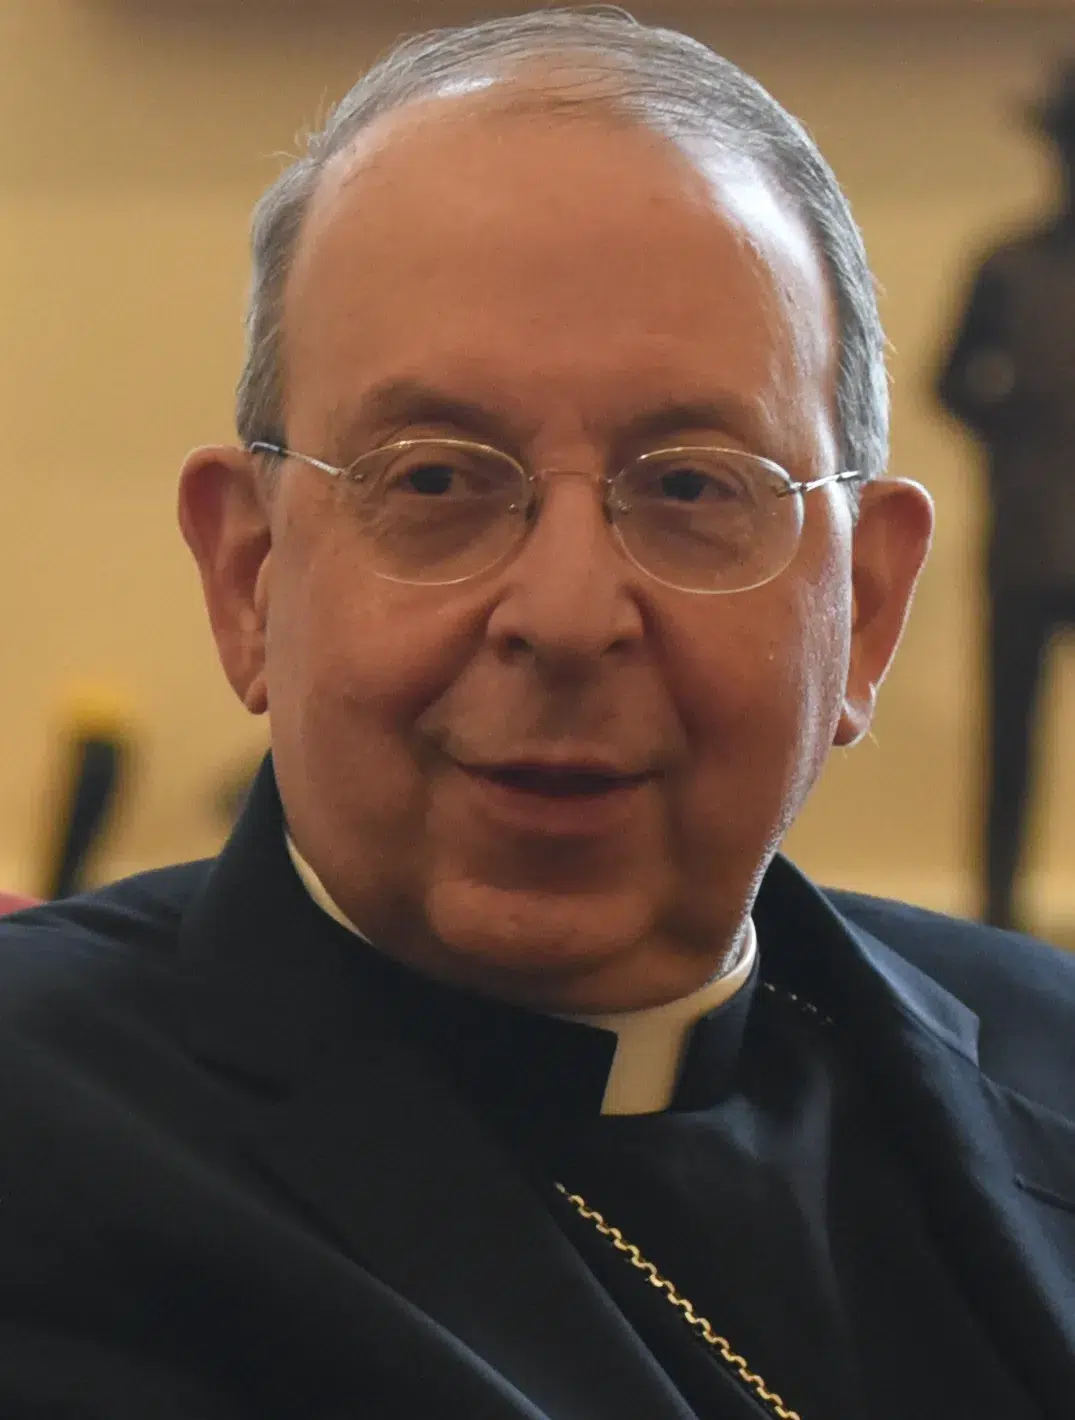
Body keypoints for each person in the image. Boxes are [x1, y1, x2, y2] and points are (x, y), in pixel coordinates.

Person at [2, 11, 1073, 1419]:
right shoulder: (38, 1136)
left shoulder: (1048, 1048)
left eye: (692, 486)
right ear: (250, 576)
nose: (565, 614)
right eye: (436, 480)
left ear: (863, 609)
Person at [937, 62, 1075, 931]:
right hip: (1025, 539)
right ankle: (995, 918)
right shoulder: (1009, 267)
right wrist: (1012, 432)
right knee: (1008, 746)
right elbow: (947, 380)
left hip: (1031, 524)